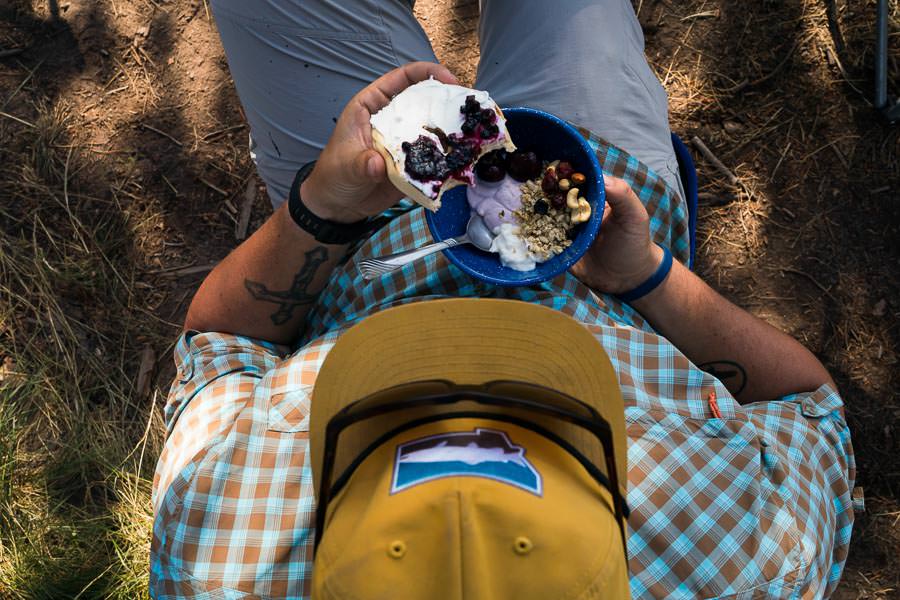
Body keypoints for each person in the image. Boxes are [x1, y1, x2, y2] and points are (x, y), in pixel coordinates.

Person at [150, 1, 857, 598]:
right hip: (601, 189)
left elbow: (222, 341)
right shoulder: (747, 563)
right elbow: (807, 403)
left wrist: (324, 208)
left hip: (361, 219)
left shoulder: (223, 552)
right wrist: (643, 274)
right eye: (550, 430)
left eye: (394, 429)